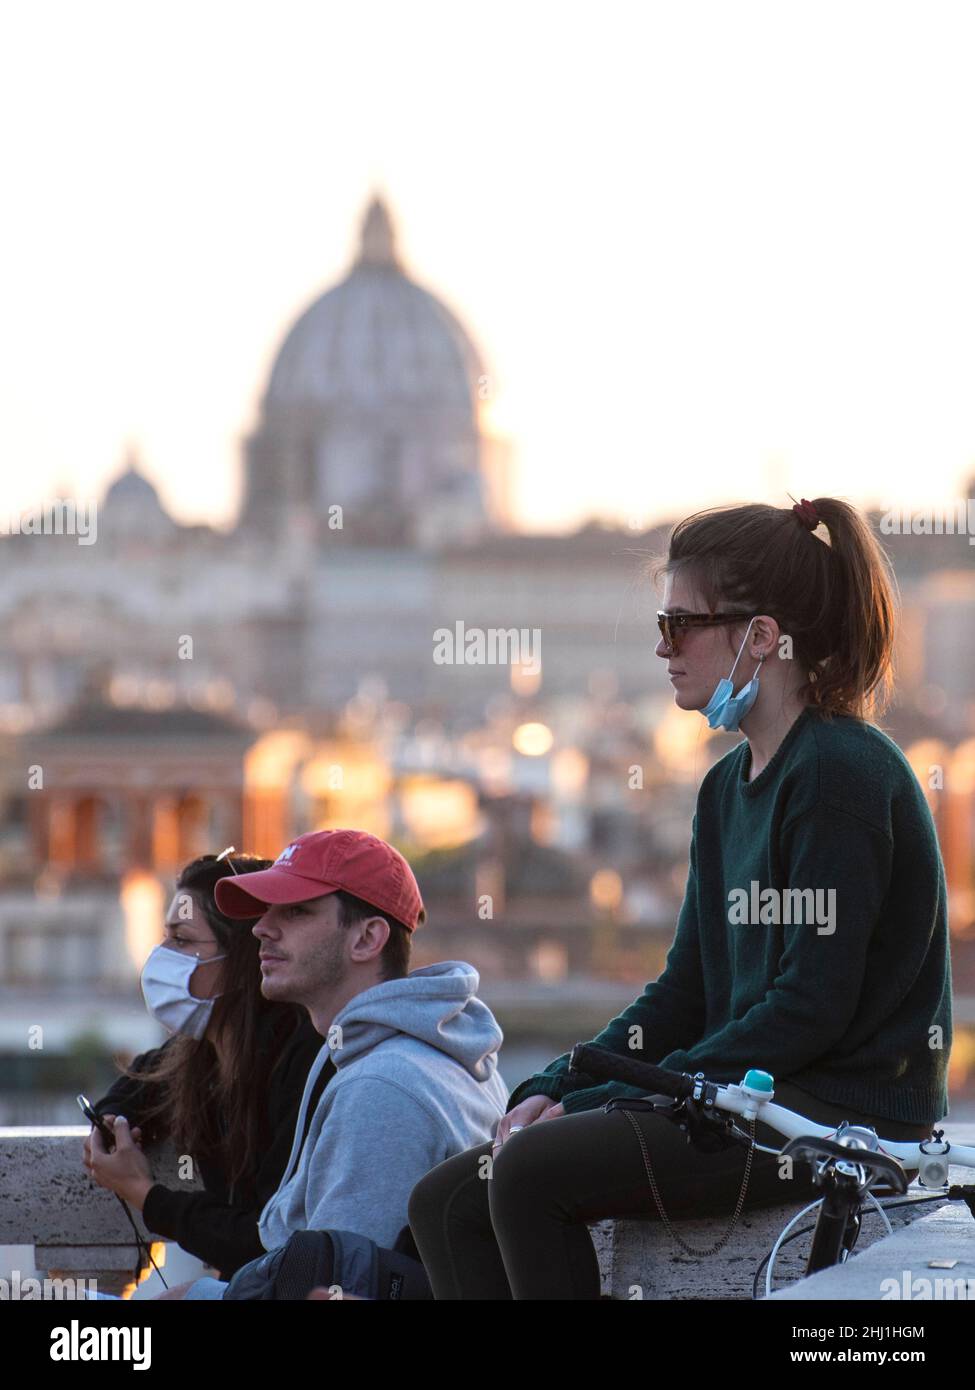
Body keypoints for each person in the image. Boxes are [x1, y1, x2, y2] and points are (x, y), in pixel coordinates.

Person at [408, 495, 954, 1300]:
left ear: (760, 637)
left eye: (679, 626)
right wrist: (557, 1084)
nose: (662, 650)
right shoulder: (724, 791)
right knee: (447, 1200)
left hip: (838, 1115)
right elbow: (686, 992)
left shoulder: (841, 773)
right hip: (759, 1101)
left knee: (528, 1178)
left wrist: (619, 1094)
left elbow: (810, 1006)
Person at [159, 828, 509, 1299]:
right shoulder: (424, 1050)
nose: (262, 927)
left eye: (297, 911)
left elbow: (330, 1287)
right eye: (267, 911)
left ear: (367, 938)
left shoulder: (383, 1090)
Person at [84, 852, 328, 1279]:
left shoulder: (303, 1063)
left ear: (243, 956)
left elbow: (266, 1240)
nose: (160, 957)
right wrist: (112, 1120)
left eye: (182, 941)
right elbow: (143, 1080)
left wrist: (145, 1193)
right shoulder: (203, 1053)